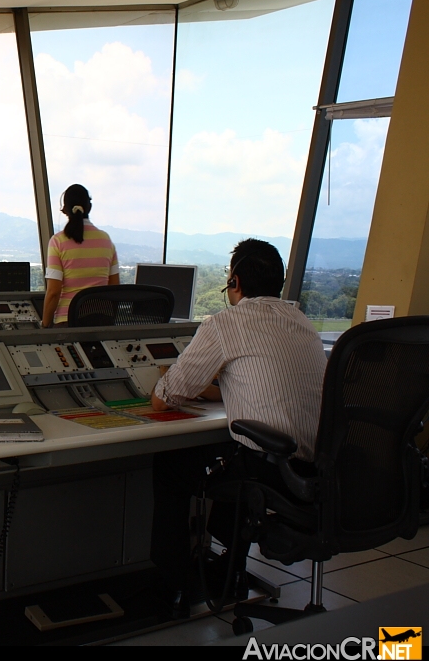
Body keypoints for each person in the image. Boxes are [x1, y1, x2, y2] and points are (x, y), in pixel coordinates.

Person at [148, 238, 327, 615]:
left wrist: (169, 379)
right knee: (235, 455)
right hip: (317, 468)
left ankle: (170, 585)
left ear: (235, 282)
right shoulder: (301, 321)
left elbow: (163, 399)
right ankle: (231, 568)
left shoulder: (224, 324)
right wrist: (207, 388)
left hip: (270, 469)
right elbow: (257, 385)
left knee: (170, 466)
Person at [42, 184, 120, 327]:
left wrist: (45, 325)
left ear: (65, 210)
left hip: (68, 323)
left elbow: (53, 292)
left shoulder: (58, 241)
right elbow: (115, 289)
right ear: (89, 207)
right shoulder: (106, 240)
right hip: (102, 323)